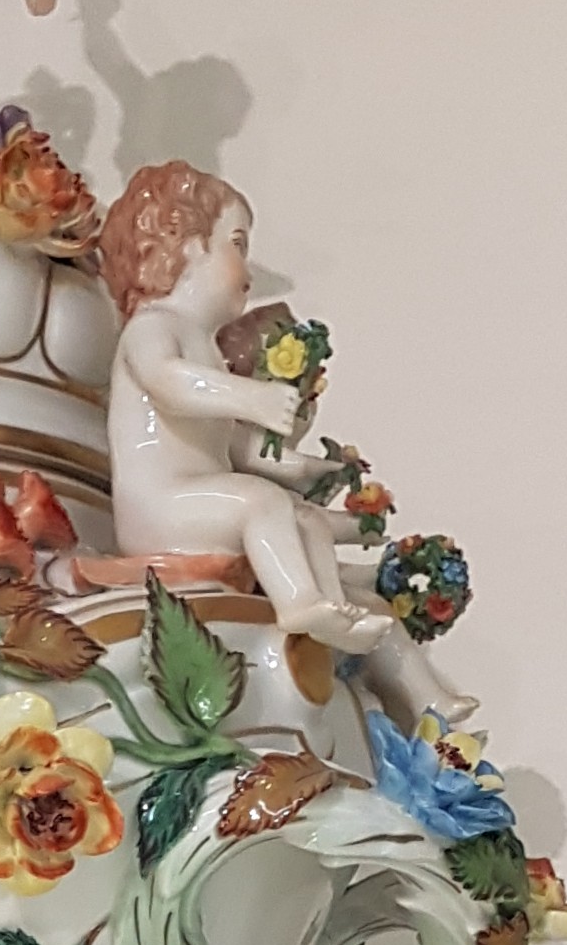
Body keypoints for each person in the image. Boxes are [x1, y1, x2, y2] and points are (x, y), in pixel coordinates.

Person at [98, 165, 390, 661]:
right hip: (159, 507)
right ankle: (300, 602)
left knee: (302, 516)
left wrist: (305, 468)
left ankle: (333, 609)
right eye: (237, 243)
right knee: (261, 502)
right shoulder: (153, 327)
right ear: (183, 244)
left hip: (197, 498)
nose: (247, 270)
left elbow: (234, 444)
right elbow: (168, 382)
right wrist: (250, 397)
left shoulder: (205, 347)